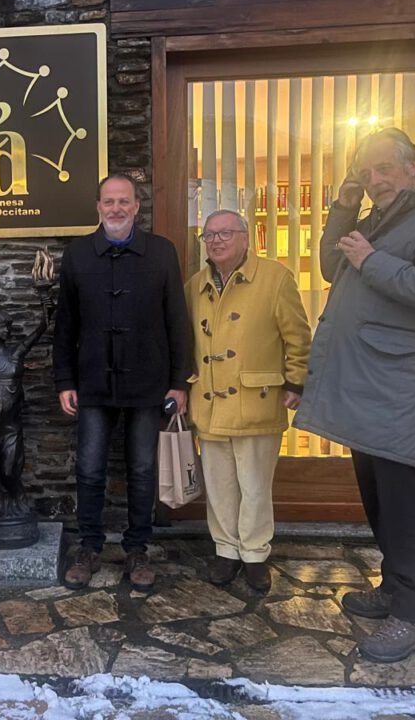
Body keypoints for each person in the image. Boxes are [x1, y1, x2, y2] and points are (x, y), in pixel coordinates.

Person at [293, 128, 415, 663]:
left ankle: (414, 615)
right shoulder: (379, 217)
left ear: (413, 167)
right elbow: (333, 264)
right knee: (375, 491)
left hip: (400, 382)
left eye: (384, 169)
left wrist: (372, 259)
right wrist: (343, 210)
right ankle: (394, 586)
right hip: (369, 377)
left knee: (399, 498)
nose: (376, 180)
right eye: (366, 172)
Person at [53, 173, 193, 592]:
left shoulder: (162, 252)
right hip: (93, 379)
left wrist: (179, 381)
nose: (116, 208)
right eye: (108, 202)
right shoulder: (77, 254)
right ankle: (90, 546)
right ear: (98, 207)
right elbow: (65, 325)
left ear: (136, 206)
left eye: (124, 201)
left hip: (149, 381)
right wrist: (64, 379)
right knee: (91, 468)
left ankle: (137, 548)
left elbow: (177, 321)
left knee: (144, 468)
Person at [185, 209, 311, 593]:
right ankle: (226, 551)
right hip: (208, 401)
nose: (217, 241)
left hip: (257, 399)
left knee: (255, 484)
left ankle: (255, 554)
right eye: (210, 235)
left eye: (225, 233)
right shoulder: (194, 286)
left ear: (246, 237)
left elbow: (298, 337)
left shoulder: (275, 279)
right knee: (219, 484)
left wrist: (296, 382)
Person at [0, 304, 50, 520]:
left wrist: (47, 309)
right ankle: (2, 507)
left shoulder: (16, 354)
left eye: (9, 325)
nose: (7, 330)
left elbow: (38, 332)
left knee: (9, 470)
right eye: (2, 325)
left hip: (10, 426)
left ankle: (20, 499)